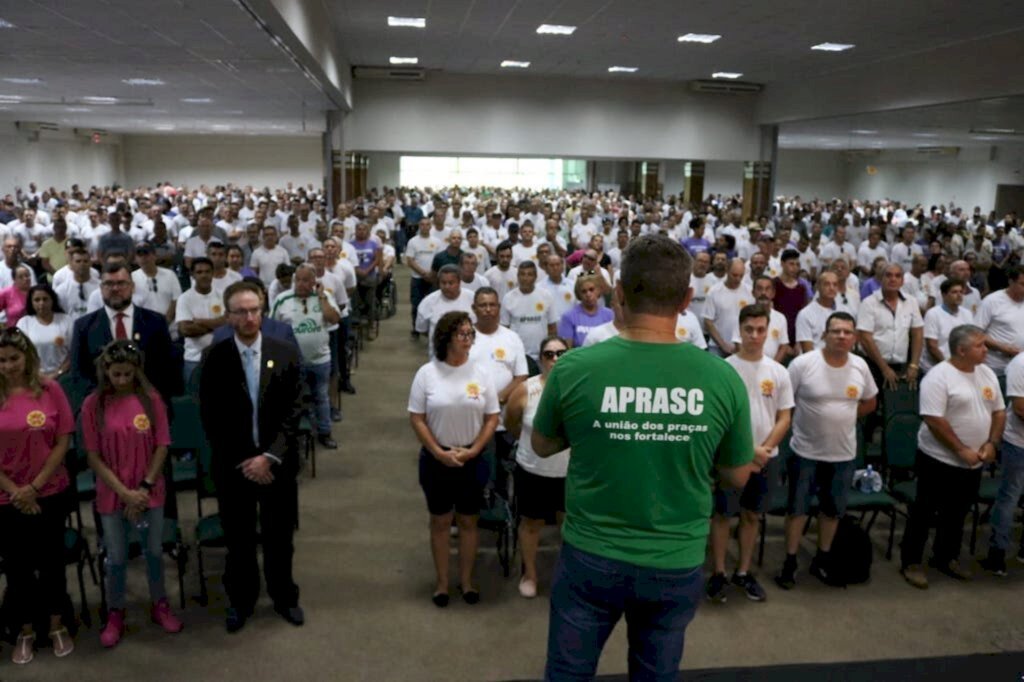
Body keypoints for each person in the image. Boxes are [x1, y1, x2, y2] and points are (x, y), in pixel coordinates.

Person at [531, 235, 753, 681]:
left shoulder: (574, 368)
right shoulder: (723, 379)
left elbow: (542, 445)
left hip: (591, 555)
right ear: (688, 299)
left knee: (568, 673)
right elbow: (737, 474)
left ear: (618, 294)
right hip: (675, 559)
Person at [199, 281, 305, 632]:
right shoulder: (215, 358)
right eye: (241, 312)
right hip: (235, 466)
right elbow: (211, 418)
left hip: (278, 464)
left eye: (254, 310)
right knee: (239, 539)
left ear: (263, 311)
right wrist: (249, 460)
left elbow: (294, 411)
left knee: (279, 536)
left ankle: (284, 597)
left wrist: (269, 457)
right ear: (228, 316)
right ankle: (241, 600)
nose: (249, 317)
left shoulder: (285, 352)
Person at [82, 340, 182, 647]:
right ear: (106, 372)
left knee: (153, 552)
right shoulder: (92, 405)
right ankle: (115, 612)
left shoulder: (151, 401)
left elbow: (162, 445)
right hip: (113, 494)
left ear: (137, 371)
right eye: (116, 375)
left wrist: (144, 488)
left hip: (148, 491)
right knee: (117, 556)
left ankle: (159, 604)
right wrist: (125, 493)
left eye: (127, 374)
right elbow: (93, 456)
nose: (122, 380)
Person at [776, 312, 878, 590]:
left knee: (831, 512)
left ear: (854, 337)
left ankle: (822, 559)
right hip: (804, 451)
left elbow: (870, 401)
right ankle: (790, 562)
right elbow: (784, 401)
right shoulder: (803, 364)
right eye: (836, 331)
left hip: (843, 454)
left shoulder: (860, 366)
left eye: (847, 332)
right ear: (824, 335)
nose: (842, 337)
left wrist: (844, 416)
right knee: (797, 511)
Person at [901, 325, 1005, 588]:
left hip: (975, 458)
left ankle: (946, 557)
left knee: (958, 512)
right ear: (961, 350)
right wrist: (960, 450)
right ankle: (912, 562)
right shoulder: (939, 377)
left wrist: (992, 443)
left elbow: (999, 412)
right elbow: (934, 420)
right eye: (981, 345)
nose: (986, 349)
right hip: (938, 458)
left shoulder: (987, 373)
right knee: (924, 511)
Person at [408, 311, 500, 607]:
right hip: (437, 459)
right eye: (463, 334)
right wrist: (437, 451)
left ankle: (467, 580)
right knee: (440, 521)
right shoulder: (427, 373)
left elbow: (492, 417)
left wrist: (475, 450)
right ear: (447, 338)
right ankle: (442, 583)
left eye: (471, 334)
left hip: (472, 457)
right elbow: (417, 418)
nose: (469, 340)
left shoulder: (482, 373)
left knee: (469, 521)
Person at [707, 304, 794, 604]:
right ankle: (718, 573)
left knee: (752, 515)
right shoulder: (723, 369)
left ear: (768, 332)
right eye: (749, 329)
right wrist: (748, 451)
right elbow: (716, 417)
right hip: (731, 457)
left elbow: (784, 417)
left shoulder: (779, 372)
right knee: (722, 515)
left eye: (760, 330)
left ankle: (742, 572)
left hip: (767, 457)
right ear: (739, 331)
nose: (755, 335)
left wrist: (764, 450)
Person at [0, 328, 76, 663]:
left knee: (51, 563)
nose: (8, 366)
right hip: (7, 496)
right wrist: (16, 491)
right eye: (1, 361)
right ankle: (25, 630)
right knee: (17, 567)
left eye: (14, 359)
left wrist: (34, 487)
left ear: (28, 357)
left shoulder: (50, 389)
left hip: (49, 490)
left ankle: (57, 625)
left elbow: (63, 440)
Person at [504, 335, 570, 599]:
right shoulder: (526, 390)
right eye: (549, 354)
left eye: (561, 354)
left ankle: (568, 574)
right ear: (541, 359)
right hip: (532, 470)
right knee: (531, 523)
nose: (555, 359)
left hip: (568, 472)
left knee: (570, 526)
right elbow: (511, 422)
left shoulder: (579, 387)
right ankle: (530, 573)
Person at [69, 262, 179, 401]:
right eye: (109, 284)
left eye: (121, 283)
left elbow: (166, 369)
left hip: (148, 405)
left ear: (132, 287)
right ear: (101, 288)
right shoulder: (83, 327)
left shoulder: (156, 322)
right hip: (102, 408)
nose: (115, 289)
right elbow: (78, 375)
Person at [271, 264, 341, 449]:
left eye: (306, 280)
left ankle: (324, 432)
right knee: (295, 399)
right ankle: (295, 435)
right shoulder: (282, 299)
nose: (301, 284)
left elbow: (333, 318)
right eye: (298, 280)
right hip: (293, 363)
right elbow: (271, 329)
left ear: (314, 282)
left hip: (320, 360)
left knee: (321, 397)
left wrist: (321, 297)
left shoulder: (324, 298)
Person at [983, 345, 1024, 575]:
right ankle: (997, 553)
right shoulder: (1020, 363)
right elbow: (1020, 408)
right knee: (1010, 497)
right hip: (1018, 443)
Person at [857, 263, 924, 391]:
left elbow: (918, 333)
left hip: (902, 365)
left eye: (897, 276)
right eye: (888, 275)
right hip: (873, 365)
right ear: (881, 279)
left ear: (902, 281)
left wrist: (914, 365)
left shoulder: (911, 302)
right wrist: (884, 368)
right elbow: (865, 338)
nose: (893, 279)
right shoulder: (868, 303)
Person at [176, 257, 228, 385]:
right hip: (194, 359)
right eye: (199, 272)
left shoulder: (223, 296)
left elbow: (230, 322)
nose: (204, 275)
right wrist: (218, 324)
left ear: (212, 273)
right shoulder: (185, 298)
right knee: (195, 403)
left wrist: (200, 322)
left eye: (207, 271)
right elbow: (185, 330)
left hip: (222, 358)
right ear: (192, 275)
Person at [501, 261, 557, 361]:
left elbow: (552, 328)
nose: (525, 278)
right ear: (517, 276)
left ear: (535, 277)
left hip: (541, 354)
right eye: (522, 274)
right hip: (517, 354)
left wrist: (550, 351)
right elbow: (504, 329)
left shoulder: (546, 296)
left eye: (529, 274)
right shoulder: (508, 298)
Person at [414, 265, 475, 355]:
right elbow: (422, 330)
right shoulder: (428, 303)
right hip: (439, 357)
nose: (447, 286)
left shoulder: (473, 298)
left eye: (451, 283)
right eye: (443, 283)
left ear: (459, 282)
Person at [16, 285, 72, 380]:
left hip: (64, 376)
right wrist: (36, 374)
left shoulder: (66, 320)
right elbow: (20, 353)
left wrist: (58, 373)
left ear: (52, 300)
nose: (41, 303)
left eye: (45, 299)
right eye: (37, 300)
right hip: (33, 377)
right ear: (31, 302)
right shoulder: (24, 323)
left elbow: (72, 353)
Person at [921, 278, 974, 373]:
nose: (959, 295)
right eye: (954, 292)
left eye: (961, 292)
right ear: (944, 295)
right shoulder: (933, 314)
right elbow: (932, 346)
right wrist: (950, 366)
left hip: (960, 367)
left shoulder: (967, 313)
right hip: (935, 368)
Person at [703, 258, 753, 357]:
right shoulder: (714, 292)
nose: (738, 279)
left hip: (742, 347)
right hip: (717, 346)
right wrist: (723, 345)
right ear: (727, 270)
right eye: (734, 275)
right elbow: (708, 321)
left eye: (741, 276)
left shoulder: (750, 291)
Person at [405, 218, 441, 340]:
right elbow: (410, 261)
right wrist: (423, 273)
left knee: (433, 305)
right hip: (417, 278)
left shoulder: (436, 241)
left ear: (431, 226)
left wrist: (432, 275)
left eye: (427, 224)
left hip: (433, 279)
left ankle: (431, 329)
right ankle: (416, 329)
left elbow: (439, 260)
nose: (425, 227)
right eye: (422, 224)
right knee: (416, 305)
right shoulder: (413, 242)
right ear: (419, 226)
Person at [557, 273, 613, 348]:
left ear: (598, 291)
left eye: (591, 289)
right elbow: (566, 350)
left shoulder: (610, 315)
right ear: (579, 294)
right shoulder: (568, 317)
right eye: (584, 291)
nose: (588, 294)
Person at [0, 263, 32, 328]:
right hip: (15, 333)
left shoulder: (37, 292)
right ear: (14, 279)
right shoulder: (6, 293)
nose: (25, 279)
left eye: (27, 275)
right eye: (21, 277)